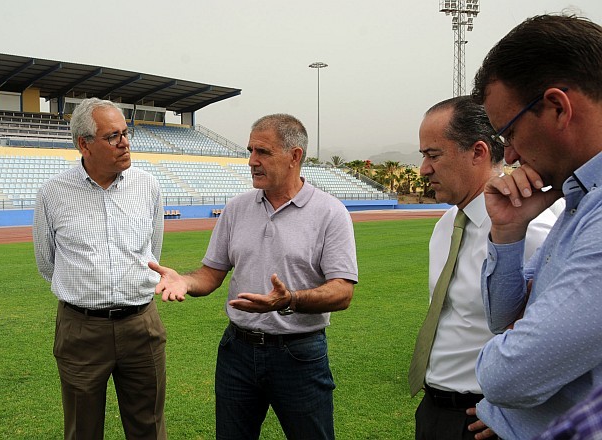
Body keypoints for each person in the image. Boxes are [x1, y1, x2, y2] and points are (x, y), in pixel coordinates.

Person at [149, 114, 357, 440]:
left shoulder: (330, 213)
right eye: (250, 150)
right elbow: (210, 274)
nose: (251, 161)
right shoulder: (237, 208)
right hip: (237, 352)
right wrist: (185, 282)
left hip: (299, 355)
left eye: (263, 152)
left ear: (295, 156)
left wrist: (290, 301)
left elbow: (342, 291)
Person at [472, 14, 602, 440]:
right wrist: (509, 231)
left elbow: (509, 377)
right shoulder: (578, 198)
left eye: (507, 133)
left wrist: (515, 350)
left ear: (558, 107)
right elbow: (503, 317)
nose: (508, 157)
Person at [408, 96, 558, 440]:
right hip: (434, 411)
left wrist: (521, 411)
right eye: (422, 157)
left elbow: (562, 336)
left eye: (433, 155)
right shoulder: (447, 224)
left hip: (483, 419)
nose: (424, 169)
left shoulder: (528, 229)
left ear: (478, 152)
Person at [33, 97, 165, 440]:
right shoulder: (53, 192)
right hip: (81, 330)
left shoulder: (148, 186)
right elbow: (47, 262)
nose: (124, 143)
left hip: (141, 326)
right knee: (82, 431)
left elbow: (153, 252)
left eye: (125, 132)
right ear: (84, 144)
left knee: (149, 427)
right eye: (112, 136)